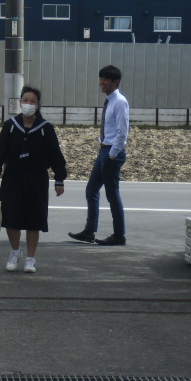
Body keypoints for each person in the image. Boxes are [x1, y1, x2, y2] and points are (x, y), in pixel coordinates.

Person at [0, 86, 67, 273]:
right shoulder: (10, 125)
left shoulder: (45, 128)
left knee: (34, 219)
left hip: (36, 179)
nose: (28, 104)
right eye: (25, 100)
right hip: (13, 178)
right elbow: (0, 151)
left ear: (38, 105)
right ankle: (15, 251)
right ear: (20, 102)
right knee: (11, 218)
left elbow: (55, 155)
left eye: (33, 101)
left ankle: (31, 258)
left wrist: (59, 179)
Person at [69, 64, 129, 246]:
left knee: (112, 194)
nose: (101, 82)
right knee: (92, 189)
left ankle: (119, 235)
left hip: (111, 153)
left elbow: (122, 132)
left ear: (116, 82)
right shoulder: (109, 101)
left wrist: (112, 154)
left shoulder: (120, 102)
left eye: (106, 80)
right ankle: (89, 231)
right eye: (101, 79)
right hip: (104, 150)